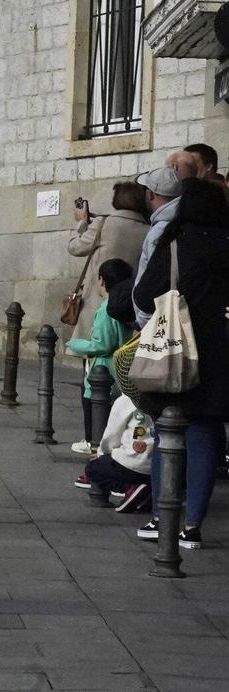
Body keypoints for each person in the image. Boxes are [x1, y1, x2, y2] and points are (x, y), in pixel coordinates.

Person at [131, 176, 229, 550]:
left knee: (168, 432)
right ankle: (192, 527)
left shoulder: (175, 244)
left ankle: (162, 516)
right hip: (220, 355)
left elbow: (141, 293)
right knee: (205, 436)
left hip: (175, 352)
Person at [65, 181, 150, 343]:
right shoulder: (149, 229)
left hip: (99, 298)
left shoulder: (104, 223)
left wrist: (81, 222)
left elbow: (75, 247)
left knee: (94, 348)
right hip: (129, 303)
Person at [65, 260, 136, 454]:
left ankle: (93, 443)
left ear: (102, 281)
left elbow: (102, 344)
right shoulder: (125, 305)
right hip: (118, 367)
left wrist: (74, 344)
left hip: (103, 367)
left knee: (93, 405)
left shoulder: (107, 308)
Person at [77, 393, 154, 513]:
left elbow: (112, 436)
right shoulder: (165, 399)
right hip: (159, 467)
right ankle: (147, 493)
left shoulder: (126, 400)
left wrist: (101, 454)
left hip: (130, 464)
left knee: (93, 468)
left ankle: (130, 488)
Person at [131, 161, 189, 297]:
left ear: (150, 194)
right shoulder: (189, 221)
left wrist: (144, 316)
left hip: (160, 313)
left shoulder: (160, 231)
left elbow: (153, 279)